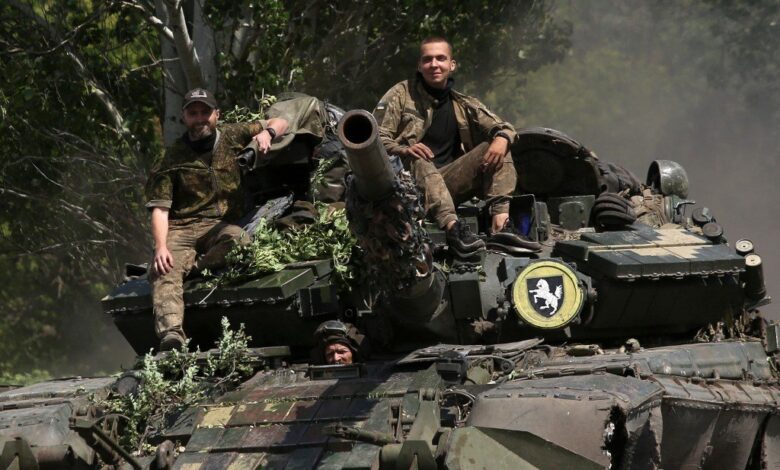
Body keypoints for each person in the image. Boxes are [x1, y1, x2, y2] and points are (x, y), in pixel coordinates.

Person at [145, 88, 289, 351]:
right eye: (193, 113)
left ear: (217, 115)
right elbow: (160, 209)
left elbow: (281, 121)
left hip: (220, 226)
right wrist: (161, 246)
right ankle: (172, 333)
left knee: (240, 242)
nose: (200, 118)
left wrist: (267, 133)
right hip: (182, 227)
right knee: (163, 269)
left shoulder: (232, 135)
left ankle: (196, 266)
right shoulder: (169, 159)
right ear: (184, 117)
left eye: (205, 112)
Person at [374, 36, 539, 257]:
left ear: (452, 65)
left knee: (498, 144)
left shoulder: (462, 104)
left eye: (440, 58)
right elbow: (377, 138)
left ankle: (501, 227)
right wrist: (404, 149)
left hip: (448, 184)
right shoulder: (401, 95)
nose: (434, 64)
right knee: (418, 156)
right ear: (419, 66)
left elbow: (504, 127)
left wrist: (502, 138)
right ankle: (454, 230)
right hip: (410, 189)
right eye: (427, 59)